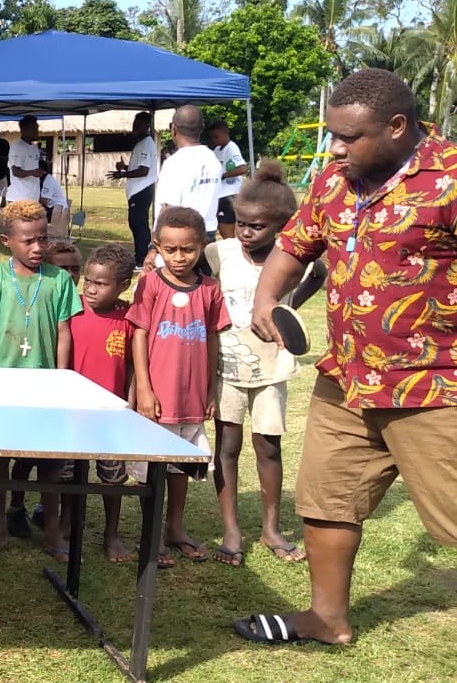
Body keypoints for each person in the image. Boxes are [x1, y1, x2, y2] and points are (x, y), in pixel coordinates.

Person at [237, 69, 457, 646]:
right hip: (347, 379)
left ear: (398, 127)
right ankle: (327, 618)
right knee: (326, 499)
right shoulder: (335, 181)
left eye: (348, 137)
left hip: (431, 387)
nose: (334, 148)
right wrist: (266, 297)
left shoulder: (450, 180)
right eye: (333, 134)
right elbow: (295, 244)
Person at [0, 200, 81, 559]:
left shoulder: (59, 280)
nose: (37, 247)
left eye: (42, 239)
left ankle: (52, 535)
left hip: (45, 385)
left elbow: (64, 332)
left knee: (49, 464)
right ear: (6, 241)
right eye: (28, 240)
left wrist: (63, 378)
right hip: (0, 384)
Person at [208, 160, 304, 567]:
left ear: (282, 225)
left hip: (271, 368)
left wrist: (288, 311)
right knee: (227, 447)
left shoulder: (290, 260)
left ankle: (271, 528)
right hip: (227, 367)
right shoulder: (220, 253)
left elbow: (318, 273)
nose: (245, 232)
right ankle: (231, 529)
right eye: (241, 223)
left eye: (256, 226)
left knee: (268, 447)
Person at [129, 205, 229, 567]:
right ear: (157, 246)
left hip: (192, 396)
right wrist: (144, 388)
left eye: (188, 249)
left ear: (202, 245)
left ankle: (174, 527)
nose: (179, 257)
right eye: (170, 249)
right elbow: (139, 335)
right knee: (154, 465)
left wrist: (210, 390)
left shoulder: (210, 290)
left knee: (181, 465)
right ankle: (152, 533)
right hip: (158, 397)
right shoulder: (151, 284)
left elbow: (213, 338)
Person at [68, 242, 139, 563]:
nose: (91, 289)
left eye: (101, 283)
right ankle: (68, 523)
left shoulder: (128, 319)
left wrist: (131, 406)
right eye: (89, 281)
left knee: (112, 476)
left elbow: (134, 367)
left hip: (111, 415)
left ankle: (112, 533)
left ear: (123, 285)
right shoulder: (72, 309)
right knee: (68, 473)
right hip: (73, 412)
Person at [154, 105, 223, 241]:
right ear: (202, 127)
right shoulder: (213, 159)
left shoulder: (174, 163)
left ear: (174, 128)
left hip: (182, 236)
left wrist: (154, 245)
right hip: (208, 232)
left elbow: (167, 209)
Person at [108, 112, 159, 267]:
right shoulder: (141, 143)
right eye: (134, 124)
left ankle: (142, 258)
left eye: (138, 125)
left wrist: (123, 174)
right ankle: (140, 255)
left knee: (139, 224)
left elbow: (144, 170)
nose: (134, 127)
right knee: (135, 223)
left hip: (142, 189)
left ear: (147, 126)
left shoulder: (147, 143)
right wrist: (125, 167)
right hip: (136, 190)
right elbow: (139, 167)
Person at [209, 119, 249, 240]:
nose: (214, 140)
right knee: (221, 229)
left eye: (217, 137)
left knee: (227, 232)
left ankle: (233, 250)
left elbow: (242, 168)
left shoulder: (232, 148)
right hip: (219, 195)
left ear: (226, 132)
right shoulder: (217, 150)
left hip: (230, 195)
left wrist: (223, 175)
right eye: (212, 138)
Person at [5, 115, 46, 204]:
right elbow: (15, 171)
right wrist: (33, 172)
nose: (37, 132)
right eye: (34, 129)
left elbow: (32, 169)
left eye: (37, 128)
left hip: (32, 197)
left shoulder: (34, 148)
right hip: (19, 198)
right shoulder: (17, 148)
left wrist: (38, 172)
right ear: (24, 130)